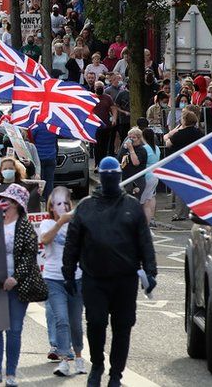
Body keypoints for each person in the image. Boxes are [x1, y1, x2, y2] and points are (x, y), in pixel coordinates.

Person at [62, 156, 158, 387]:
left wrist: (150, 271)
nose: (109, 180)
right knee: (95, 323)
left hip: (125, 279)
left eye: (113, 176)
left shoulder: (132, 207)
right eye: (106, 177)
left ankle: (116, 374)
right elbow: (72, 243)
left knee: (123, 327)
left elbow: (144, 241)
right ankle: (97, 365)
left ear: (119, 177)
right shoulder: (85, 206)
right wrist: (68, 273)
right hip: (94, 278)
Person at [0, 183, 44, 387]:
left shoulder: (25, 226)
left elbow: (30, 257)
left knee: (14, 329)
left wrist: (15, 278)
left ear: (17, 204)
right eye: (2, 199)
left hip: (17, 286)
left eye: (8, 200)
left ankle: (10, 373)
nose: (3, 202)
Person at [39, 187, 86, 377]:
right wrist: (60, 223)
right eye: (58, 203)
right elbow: (45, 239)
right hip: (53, 279)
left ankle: (80, 357)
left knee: (75, 322)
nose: (63, 207)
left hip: (76, 279)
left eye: (66, 203)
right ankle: (65, 359)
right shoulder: (47, 223)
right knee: (62, 319)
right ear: (51, 206)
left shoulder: (78, 224)